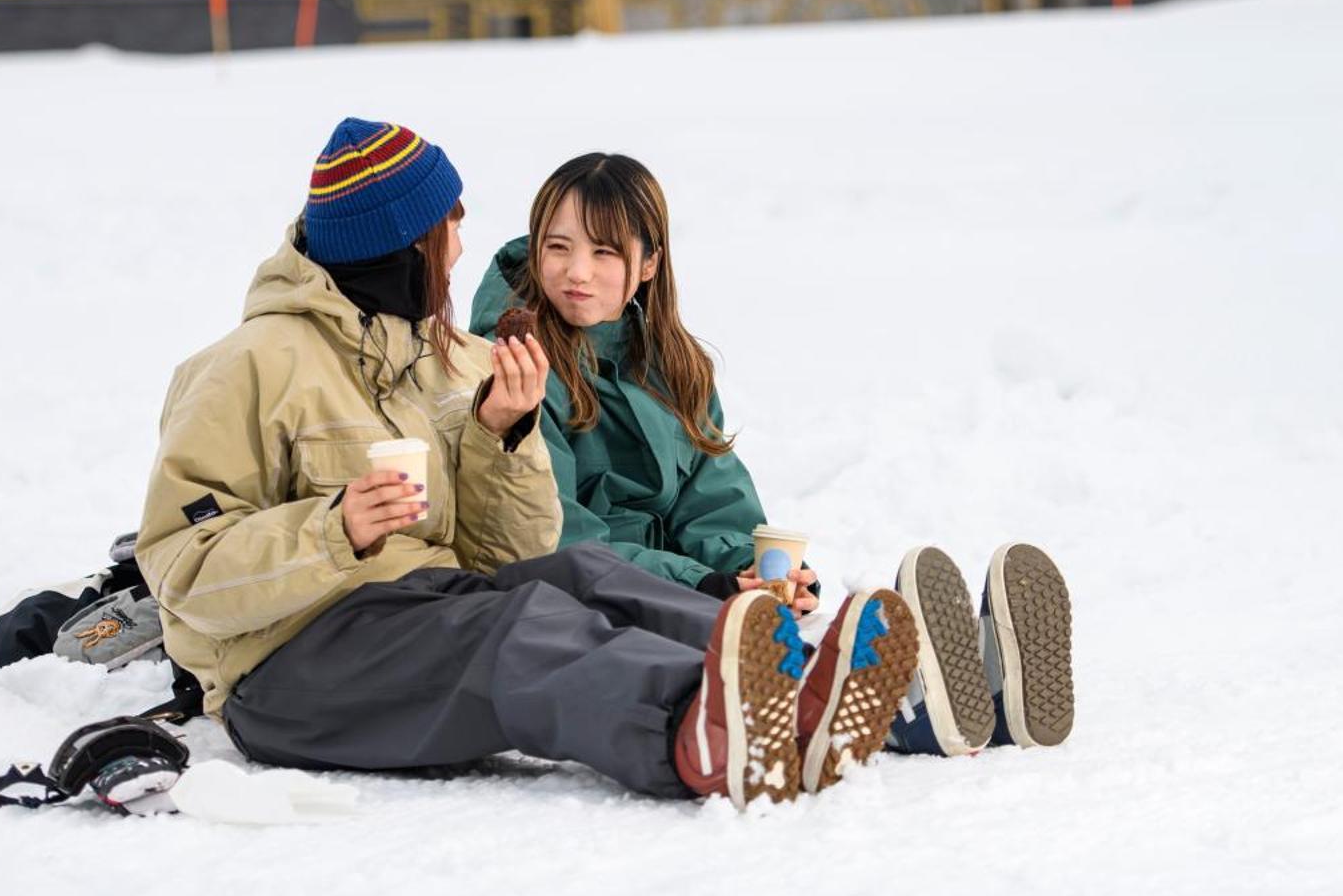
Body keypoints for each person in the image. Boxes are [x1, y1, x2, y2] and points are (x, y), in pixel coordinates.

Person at [134, 119, 923, 810]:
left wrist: (498, 437)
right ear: (405, 241)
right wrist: (332, 528)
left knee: (582, 578)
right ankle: (699, 724)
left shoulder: (446, 359)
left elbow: (510, 555)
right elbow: (179, 570)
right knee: (514, 626)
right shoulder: (245, 366)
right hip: (290, 670)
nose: (465, 242)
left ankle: (795, 683)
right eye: (452, 221)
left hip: (422, 611)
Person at [469, 152, 1076, 761]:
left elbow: (714, 496)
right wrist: (706, 582)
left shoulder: (673, 363)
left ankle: (981, 688)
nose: (578, 272)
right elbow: (559, 535)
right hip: (587, 590)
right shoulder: (519, 365)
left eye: (604, 253)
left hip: (673, 585)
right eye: (558, 247)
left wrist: (754, 567)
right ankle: (901, 707)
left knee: (778, 619)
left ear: (649, 262)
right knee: (747, 654)